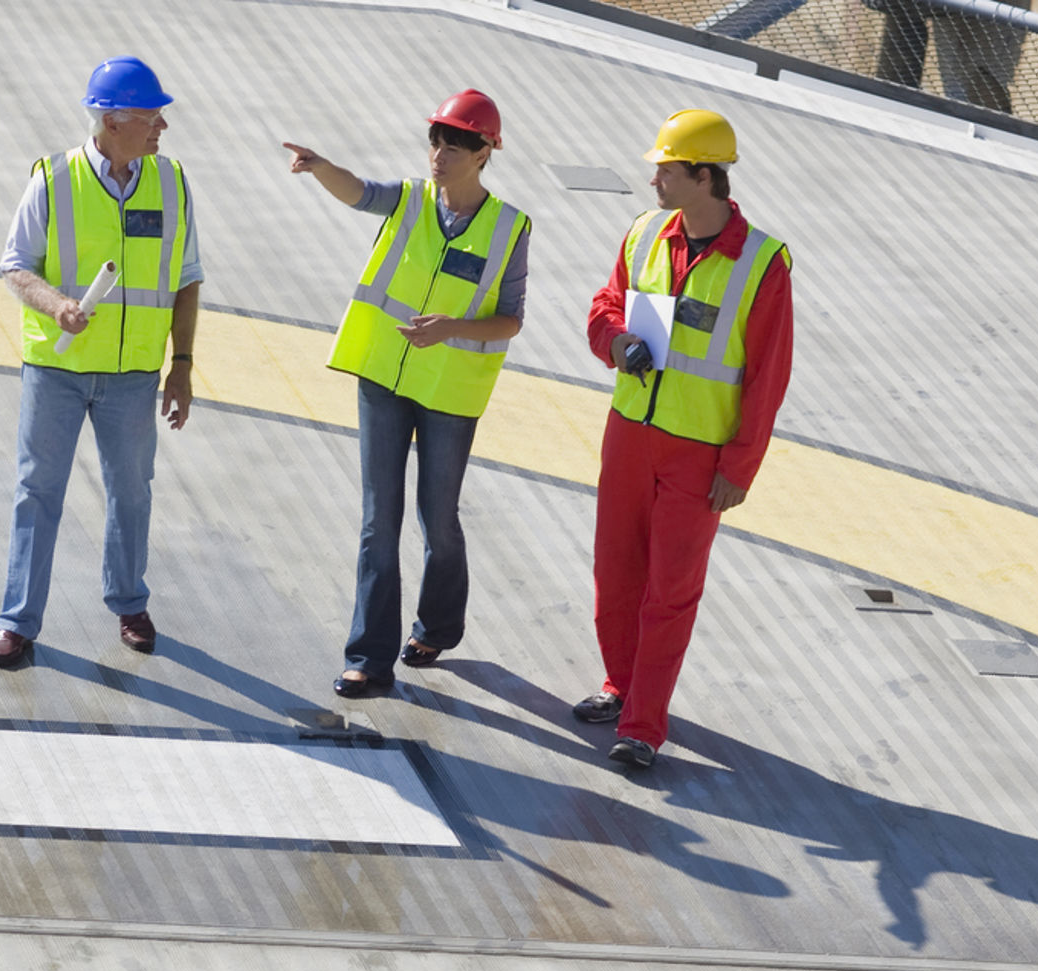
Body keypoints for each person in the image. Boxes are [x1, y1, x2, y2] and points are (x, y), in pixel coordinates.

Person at [284, 91, 531, 701]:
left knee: (438, 520)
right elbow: (360, 191)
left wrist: (450, 328)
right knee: (378, 520)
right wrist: (321, 168)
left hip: (449, 393)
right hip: (384, 382)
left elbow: (510, 320)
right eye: (435, 142)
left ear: (484, 153)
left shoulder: (509, 229)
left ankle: (438, 626)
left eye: (454, 145)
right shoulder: (411, 201)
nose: (439, 155)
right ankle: (368, 658)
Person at [578, 108, 795, 773]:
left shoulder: (763, 263)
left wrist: (742, 466)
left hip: (699, 454)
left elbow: (768, 376)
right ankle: (621, 686)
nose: (655, 183)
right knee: (615, 571)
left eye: (666, 171)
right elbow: (604, 306)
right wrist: (615, 341)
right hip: (631, 433)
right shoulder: (645, 235)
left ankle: (643, 725)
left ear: (706, 177)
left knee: (668, 591)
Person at [0, 55, 203, 669]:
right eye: (150, 115)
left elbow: (187, 279)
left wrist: (181, 364)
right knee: (38, 490)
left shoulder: (172, 181)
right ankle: (17, 621)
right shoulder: (53, 179)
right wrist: (57, 306)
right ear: (111, 121)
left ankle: (129, 603)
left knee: (132, 491)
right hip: (56, 370)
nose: (161, 125)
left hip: (133, 372)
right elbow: (15, 264)